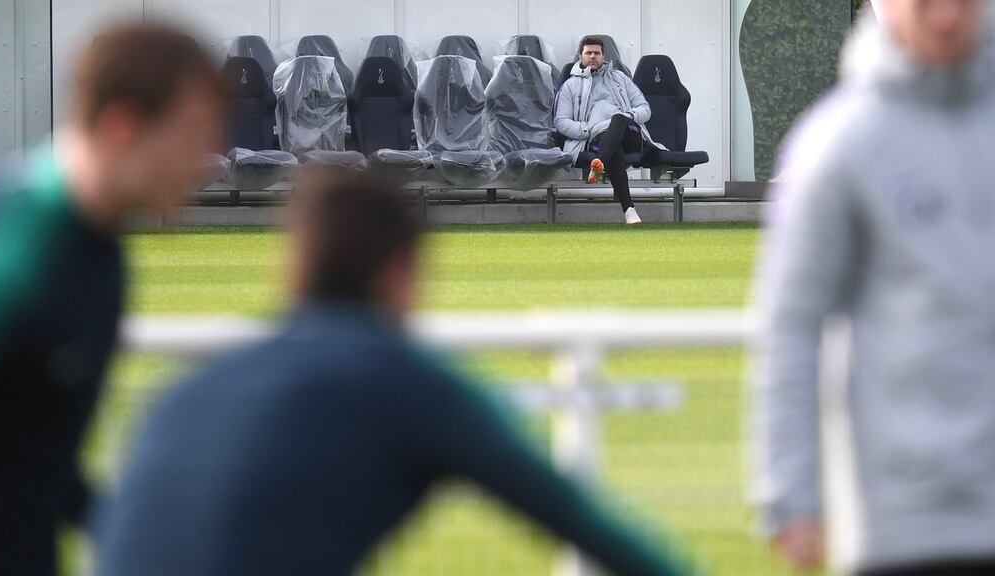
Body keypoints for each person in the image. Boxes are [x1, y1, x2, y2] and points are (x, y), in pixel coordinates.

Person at [97, 167, 695, 576]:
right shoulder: (404, 382)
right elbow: (576, 520)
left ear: (293, 270)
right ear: (399, 273)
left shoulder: (187, 385)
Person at [752, 1, 995, 575]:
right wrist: (792, 496)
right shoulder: (842, 142)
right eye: (926, 3)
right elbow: (791, 326)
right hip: (902, 522)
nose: (946, 18)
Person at [0, 22, 223, 576]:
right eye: (194, 133)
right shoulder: (16, 251)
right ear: (123, 127)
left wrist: (128, 530)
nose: (207, 160)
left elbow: (32, 461)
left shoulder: (101, 255)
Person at [555, 35, 664, 226]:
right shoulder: (570, 86)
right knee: (614, 149)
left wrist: (628, 116)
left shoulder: (620, 79)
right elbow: (561, 121)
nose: (593, 56)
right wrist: (588, 129)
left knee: (618, 119)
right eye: (588, 53)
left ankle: (599, 163)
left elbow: (644, 108)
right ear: (580, 56)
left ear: (603, 56)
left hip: (630, 133)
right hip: (597, 137)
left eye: (597, 53)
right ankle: (629, 210)